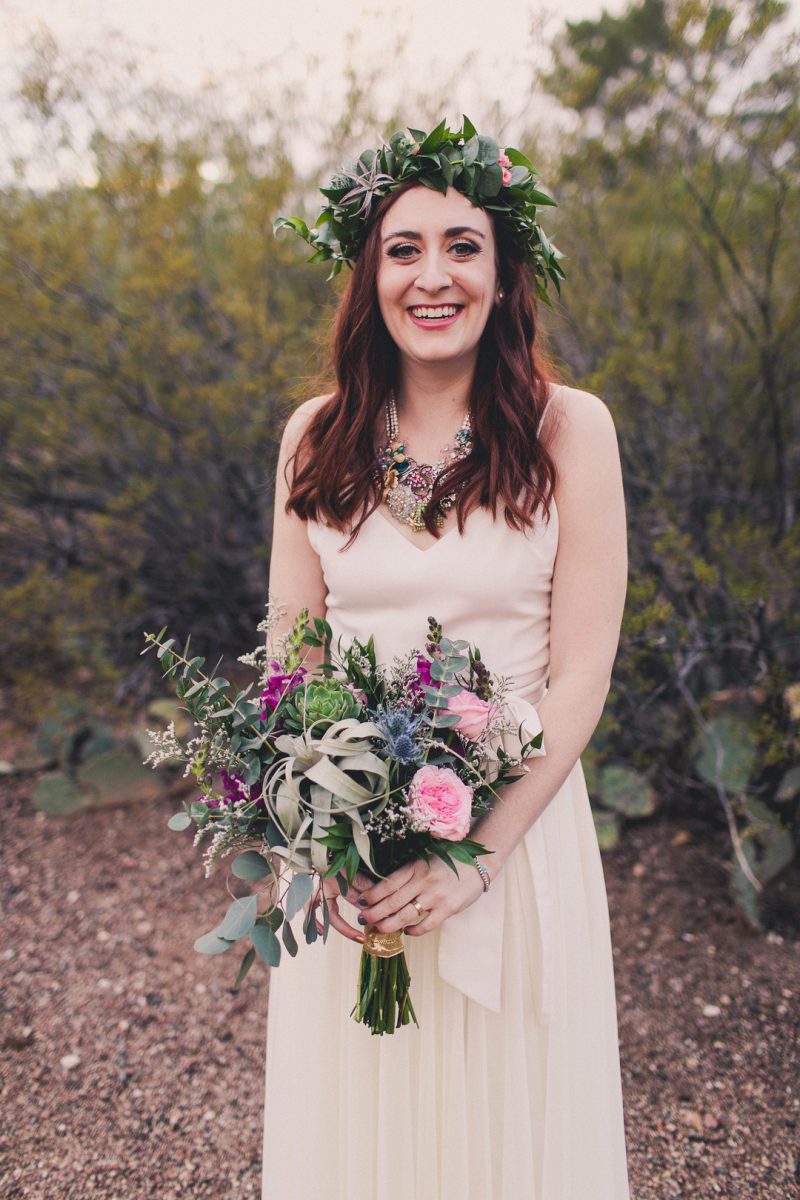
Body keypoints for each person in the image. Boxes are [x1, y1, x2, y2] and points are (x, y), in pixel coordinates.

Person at [262, 119, 631, 1200]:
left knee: (503, 1128)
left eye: (462, 246)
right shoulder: (312, 435)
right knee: (364, 1132)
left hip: (511, 838)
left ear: (506, 270)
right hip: (348, 848)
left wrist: (473, 857)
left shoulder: (570, 431)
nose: (434, 276)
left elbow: (578, 675)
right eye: (403, 247)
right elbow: (293, 654)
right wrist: (318, 829)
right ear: (366, 275)